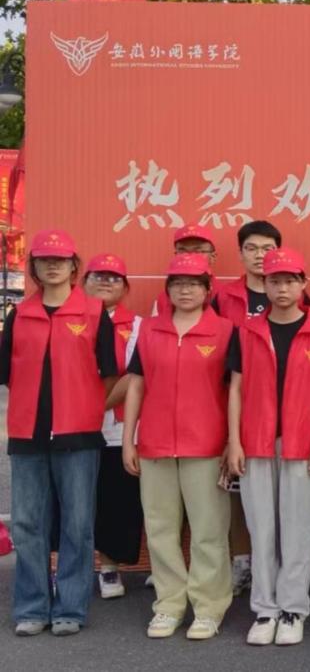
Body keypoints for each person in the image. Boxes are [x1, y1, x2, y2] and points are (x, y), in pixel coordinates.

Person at [3, 230, 118, 637]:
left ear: (73, 266)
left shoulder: (94, 312)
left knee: (77, 525)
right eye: (44, 260)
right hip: (27, 435)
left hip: (78, 435)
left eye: (61, 259)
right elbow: (7, 373)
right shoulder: (19, 315)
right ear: (33, 267)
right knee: (28, 524)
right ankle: (32, 606)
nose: (52, 266)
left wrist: (84, 406)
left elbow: (109, 374)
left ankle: (71, 606)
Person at [227, 247, 310, 646]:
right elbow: (236, 388)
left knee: (300, 529)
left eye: (290, 280)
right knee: (261, 529)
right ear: (265, 284)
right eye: (274, 281)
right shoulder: (246, 331)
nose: (282, 288)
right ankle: (265, 608)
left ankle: (292, 608)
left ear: (303, 283)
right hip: (256, 442)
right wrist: (234, 441)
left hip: (304, 443)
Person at [122, 253, 234, 640]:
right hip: (154, 444)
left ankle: (208, 607)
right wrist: (129, 439)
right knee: (160, 528)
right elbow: (136, 385)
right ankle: (169, 605)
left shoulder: (225, 331)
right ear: (167, 290)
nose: (185, 290)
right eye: (178, 284)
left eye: (193, 284)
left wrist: (231, 441)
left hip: (206, 445)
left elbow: (235, 391)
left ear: (208, 289)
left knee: (209, 530)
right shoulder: (150, 330)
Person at [84, 253, 144, 600]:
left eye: (114, 278)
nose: (106, 282)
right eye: (98, 276)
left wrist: (91, 409)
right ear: (83, 281)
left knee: (115, 499)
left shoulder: (137, 326)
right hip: (67, 428)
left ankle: (109, 567)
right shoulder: (68, 320)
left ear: (125, 287)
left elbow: (133, 376)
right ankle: (70, 568)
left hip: (116, 427)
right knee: (73, 499)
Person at [152, 223, 219, 316]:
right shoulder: (164, 298)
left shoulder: (225, 296)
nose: (189, 256)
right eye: (182, 251)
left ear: (213, 257)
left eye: (198, 251)